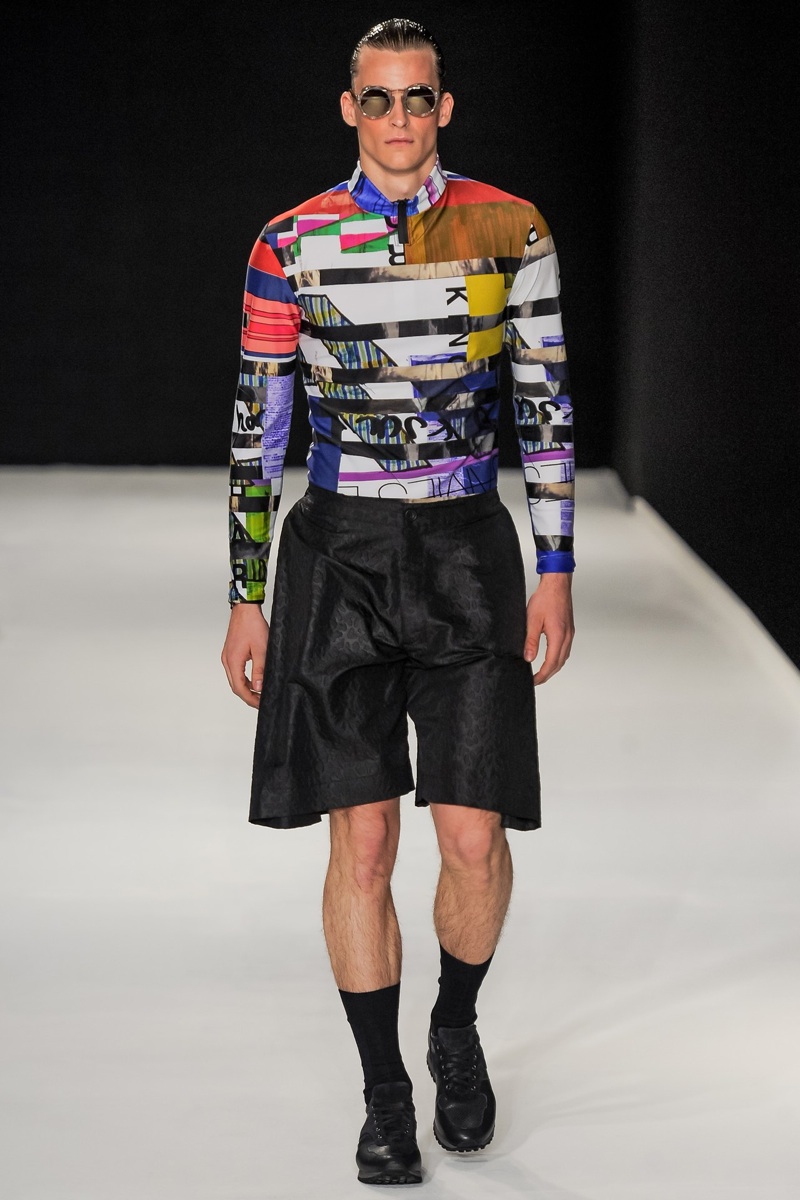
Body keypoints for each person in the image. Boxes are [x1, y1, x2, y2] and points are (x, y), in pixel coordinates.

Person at [220, 16, 575, 1186]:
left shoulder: (510, 228)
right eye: (377, 98)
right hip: (340, 552)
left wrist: (557, 566)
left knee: (471, 833)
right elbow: (259, 423)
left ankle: (453, 1027)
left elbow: (544, 401)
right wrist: (247, 592)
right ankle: (383, 1093)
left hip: (467, 547)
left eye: (416, 97)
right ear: (349, 108)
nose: (398, 119)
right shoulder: (289, 243)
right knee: (362, 835)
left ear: (443, 106)